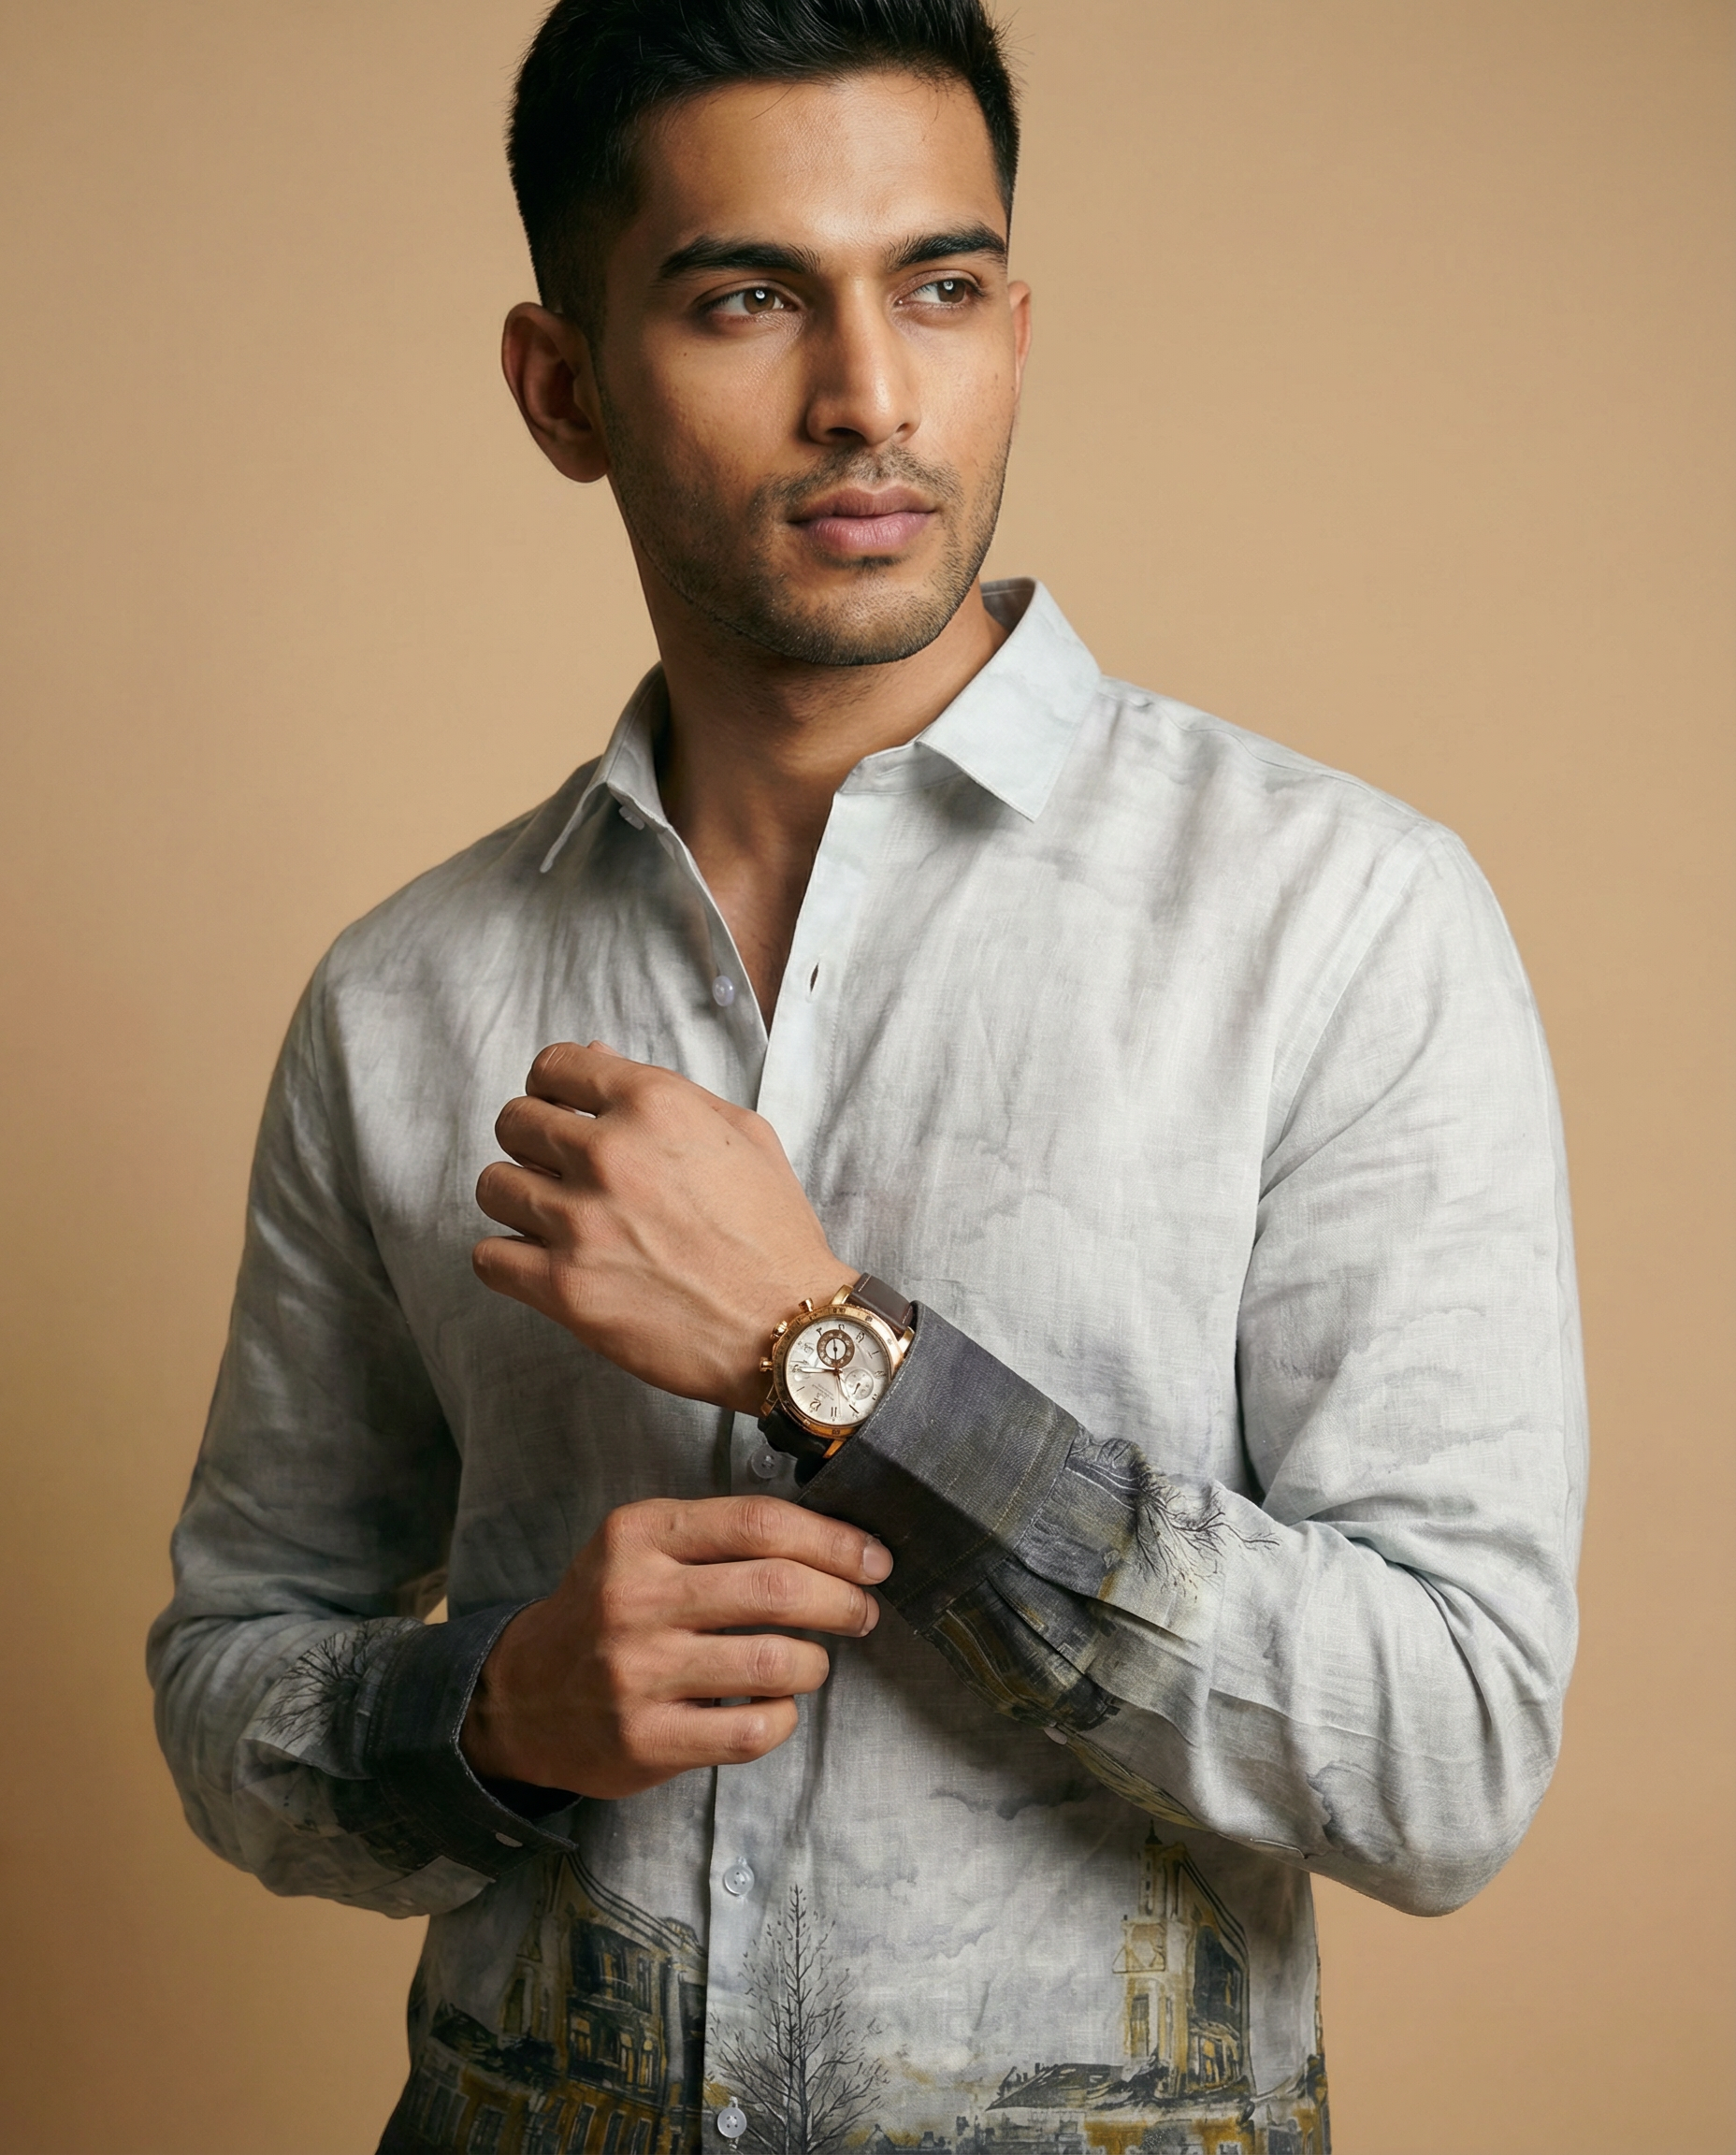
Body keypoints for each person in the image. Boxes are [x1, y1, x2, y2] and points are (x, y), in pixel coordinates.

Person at [148, 4, 1586, 2152]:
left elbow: (1449, 1758)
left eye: (939, 287)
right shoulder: (405, 996)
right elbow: (231, 1677)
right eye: (746, 298)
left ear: (1015, 326)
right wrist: (497, 1710)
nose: (870, 396)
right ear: (562, 388)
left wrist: (843, 1366)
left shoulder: (1336, 921)